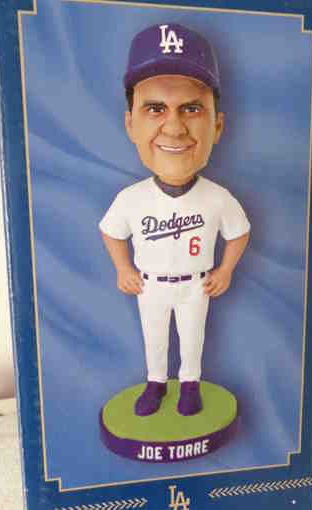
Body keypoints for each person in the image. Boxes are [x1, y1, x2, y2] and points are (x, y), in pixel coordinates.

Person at [99, 23, 250, 417]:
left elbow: (240, 232)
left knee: (192, 338)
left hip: (195, 284)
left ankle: (189, 386)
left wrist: (226, 270)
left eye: (191, 108)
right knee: (154, 338)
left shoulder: (217, 197)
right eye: (155, 108)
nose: (173, 126)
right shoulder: (131, 199)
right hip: (150, 284)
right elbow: (111, 231)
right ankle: (155, 384)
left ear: (217, 126)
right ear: (130, 124)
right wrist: (123, 269)